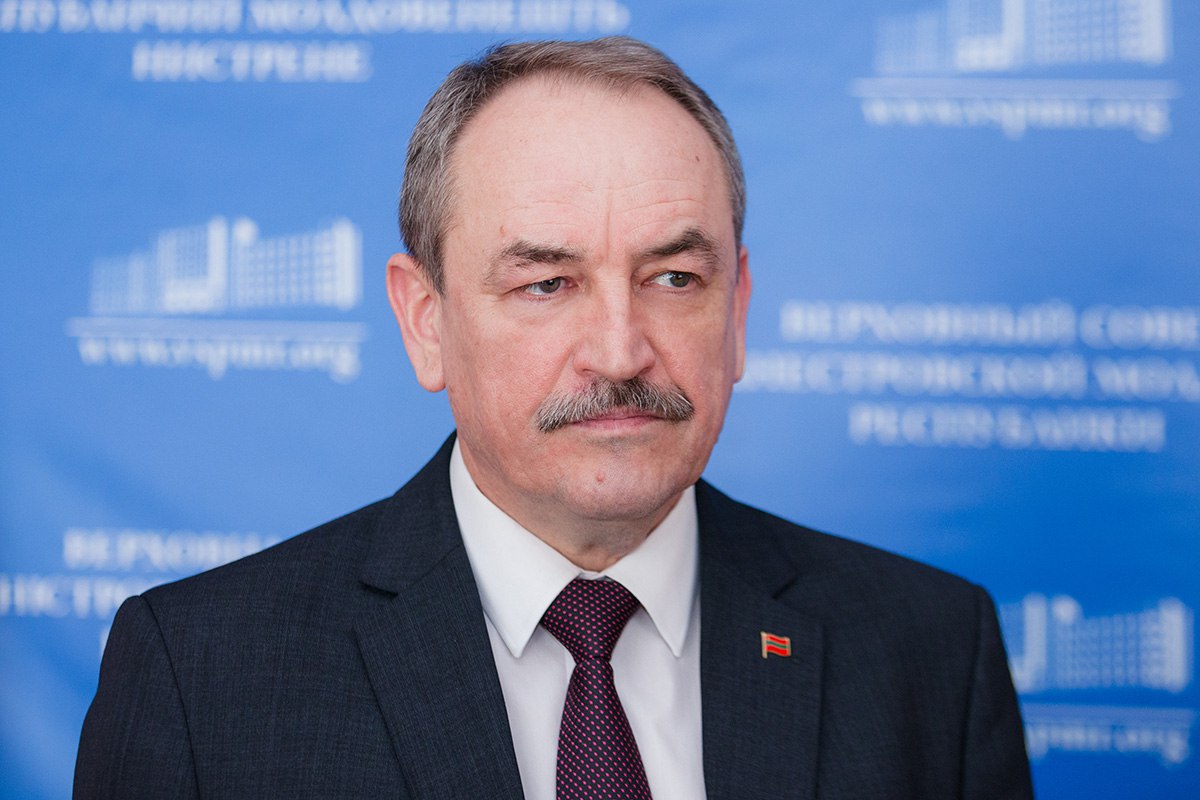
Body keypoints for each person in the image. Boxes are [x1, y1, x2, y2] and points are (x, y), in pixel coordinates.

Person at [74, 37, 1033, 799]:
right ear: (426, 321)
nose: (619, 352)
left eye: (673, 278)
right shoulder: (204, 677)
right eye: (546, 283)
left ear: (737, 312)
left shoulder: (929, 654)